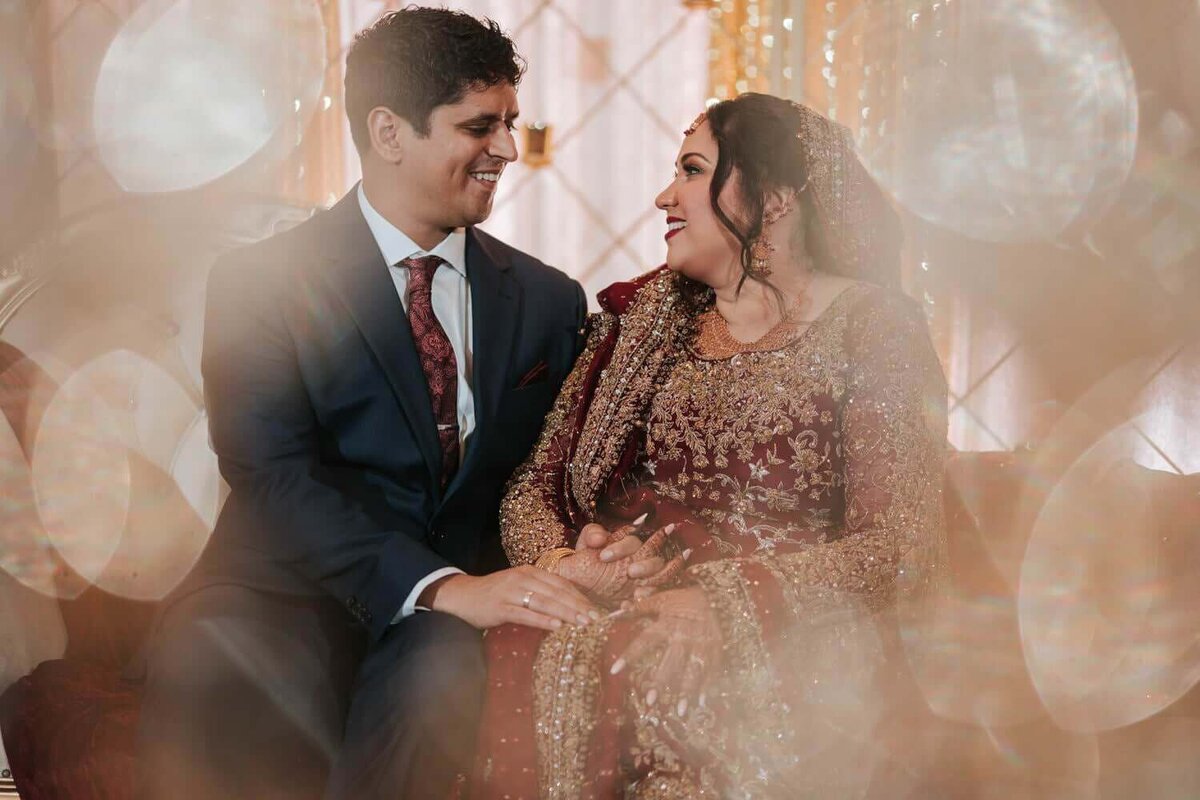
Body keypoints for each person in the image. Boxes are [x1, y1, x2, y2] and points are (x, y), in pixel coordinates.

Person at [134, 8, 668, 799]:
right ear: (389, 133)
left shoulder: (549, 302)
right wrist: (446, 588)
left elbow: (557, 472)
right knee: (244, 663)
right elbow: (271, 475)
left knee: (444, 665)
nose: (507, 150)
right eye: (478, 125)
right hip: (281, 592)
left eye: (511, 123)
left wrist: (585, 542)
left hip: (452, 616)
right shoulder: (259, 285)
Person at [469, 93, 949, 798]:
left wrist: (727, 603)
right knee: (541, 646)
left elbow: (900, 545)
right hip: (625, 608)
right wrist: (570, 561)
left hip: (796, 632)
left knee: (671, 676)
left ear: (776, 198)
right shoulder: (643, 324)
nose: (665, 195)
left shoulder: (874, 333)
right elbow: (537, 485)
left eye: (692, 170)